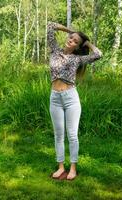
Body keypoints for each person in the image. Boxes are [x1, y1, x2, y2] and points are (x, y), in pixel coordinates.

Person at [47, 21, 102, 180]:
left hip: (71, 98)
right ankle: (60, 167)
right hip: (55, 97)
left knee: (72, 135)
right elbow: (50, 26)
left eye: (75, 41)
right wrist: (71, 30)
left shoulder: (78, 59)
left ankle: (72, 168)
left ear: (78, 47)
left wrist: (88, 43)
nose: (71, 40)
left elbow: (99, 54)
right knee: (58, 135)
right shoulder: (55, 51)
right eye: (71, 38)